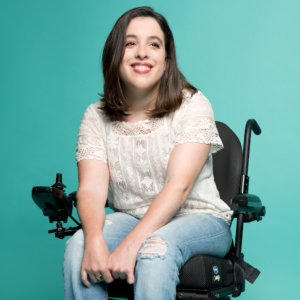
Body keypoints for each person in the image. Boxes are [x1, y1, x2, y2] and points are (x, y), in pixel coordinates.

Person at [63, 6, 233, 300]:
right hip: (130, 216)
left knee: (155, 249)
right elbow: (90, 189)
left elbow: (178, 186)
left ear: (166, 61)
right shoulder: (95, 116)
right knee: (79, 247)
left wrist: (132, 244)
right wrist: (92, 239)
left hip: (200, 219)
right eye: (130, 43)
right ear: (115, 55)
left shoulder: (192, 105)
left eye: (153, 44)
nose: (142, 52)